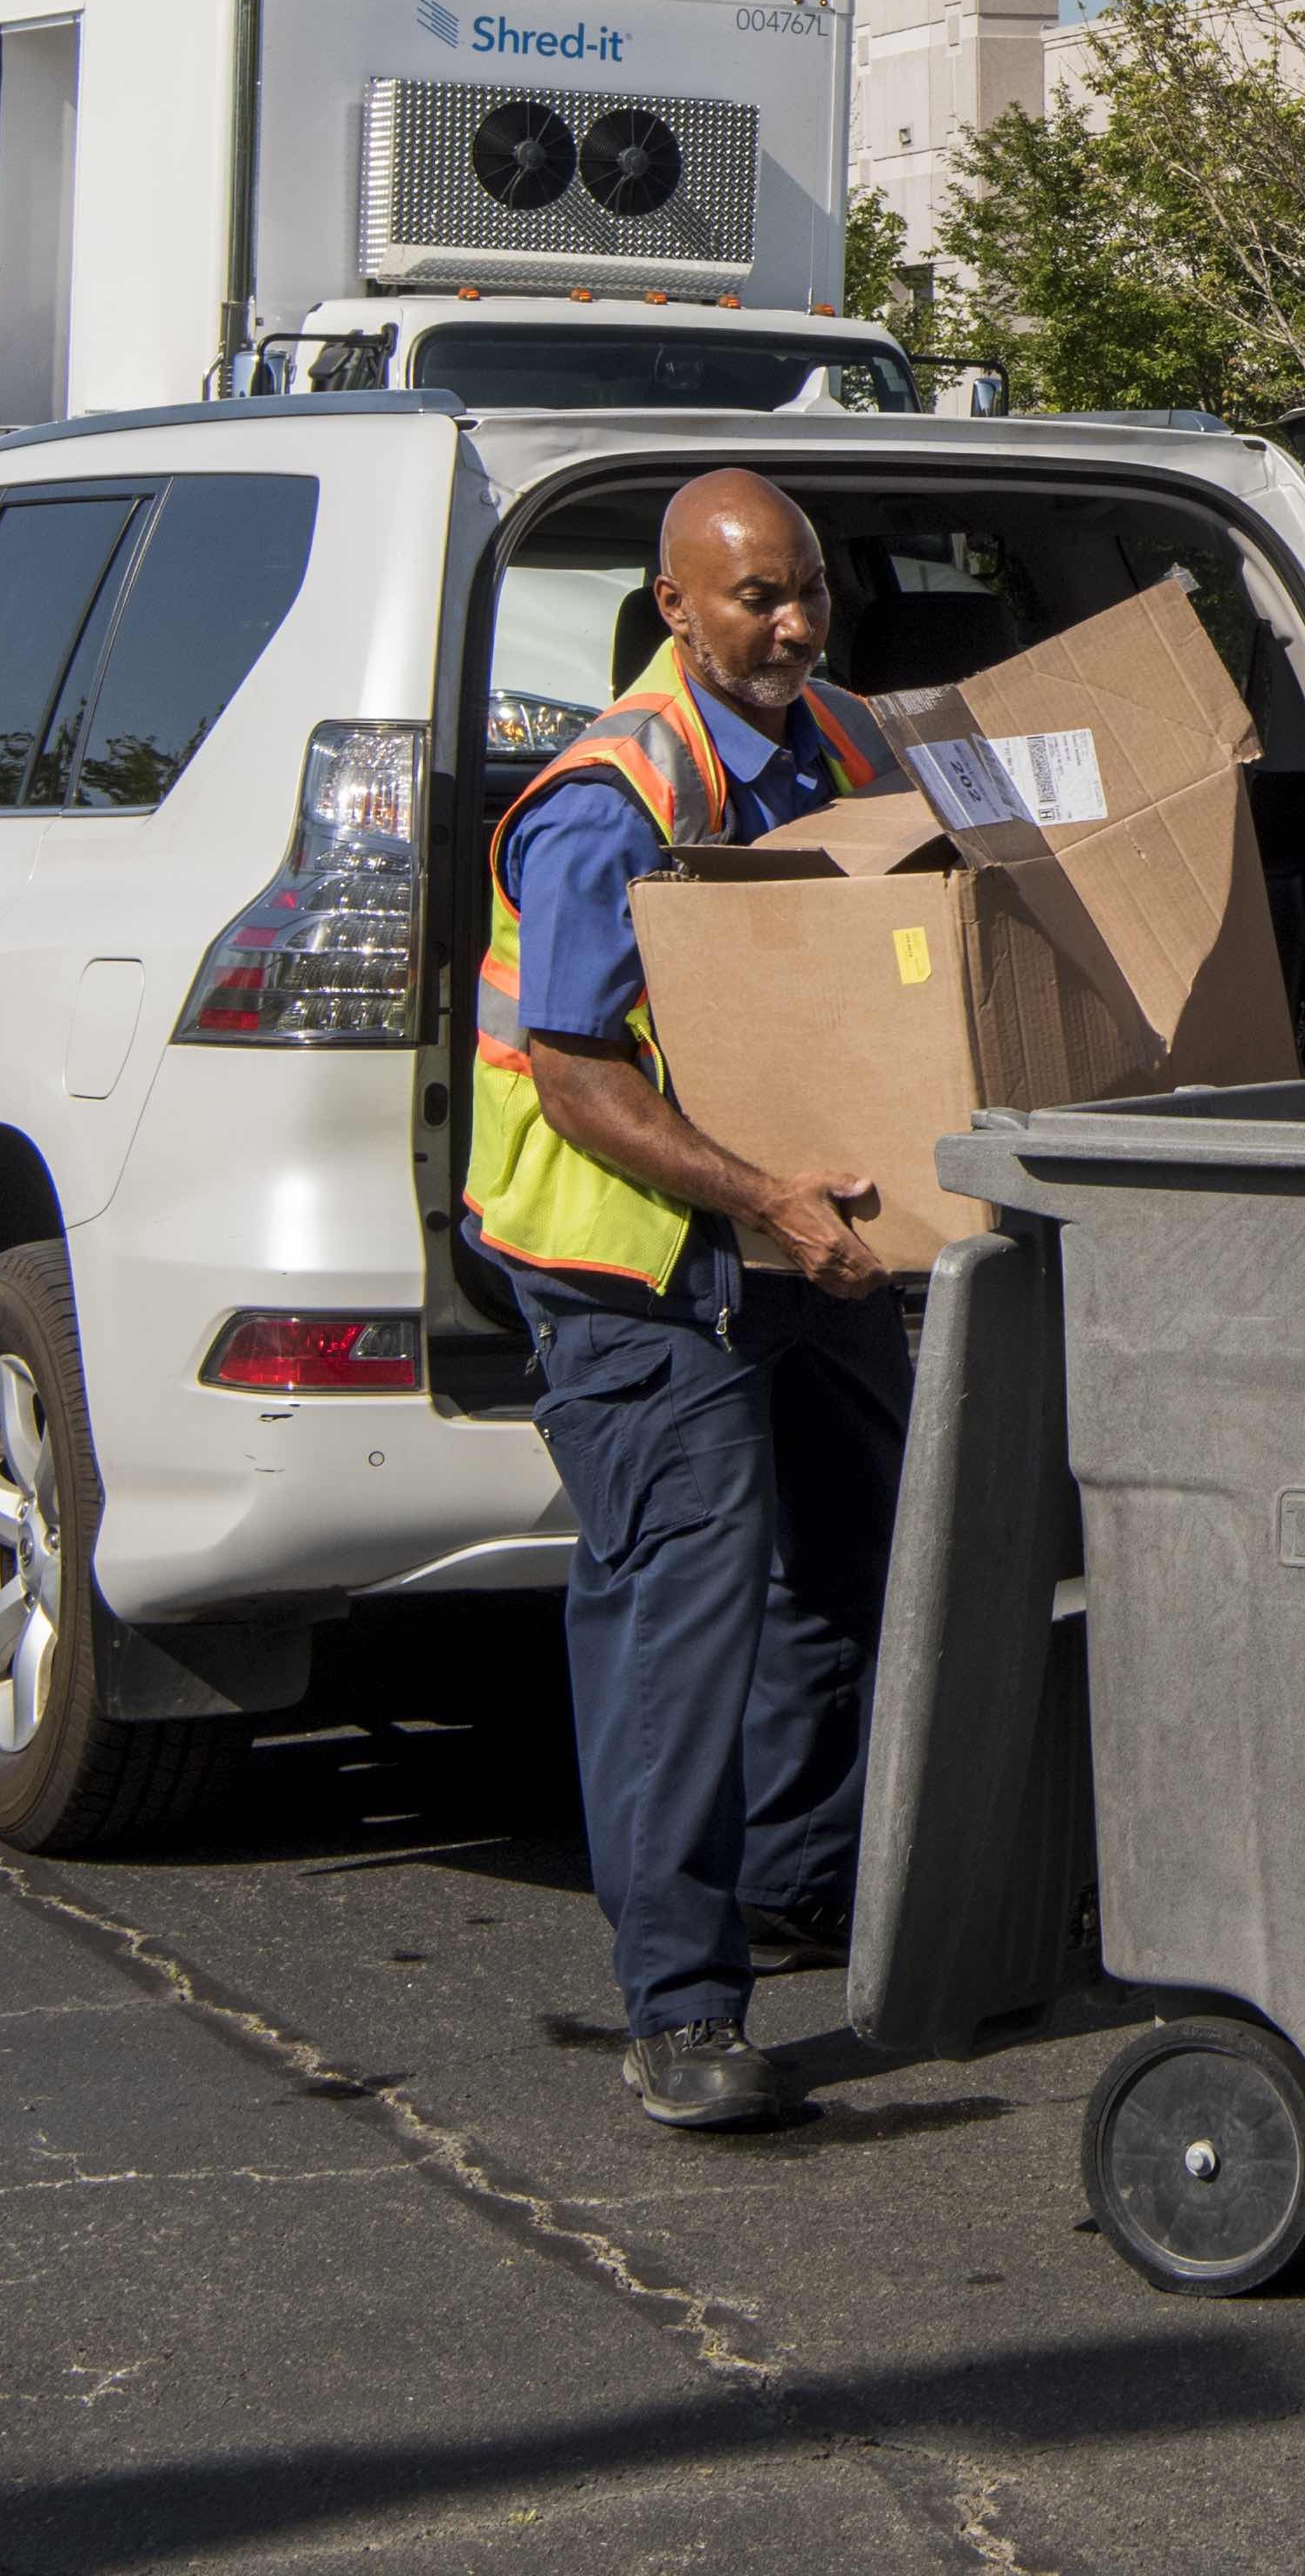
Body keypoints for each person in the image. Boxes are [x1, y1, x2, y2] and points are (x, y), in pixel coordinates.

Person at [465, 466, 912, 2135]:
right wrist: (765, 1196)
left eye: (808, 590)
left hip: (811, 1243)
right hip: (640, 1270)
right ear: (676, 610)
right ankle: (681, 2004)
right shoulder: (612, 799)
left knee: (854, 1576)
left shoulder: (846, 744)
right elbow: (580, 1080)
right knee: (683, 1625)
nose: (794, 624)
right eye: (756, 600)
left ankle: (802, 1879)